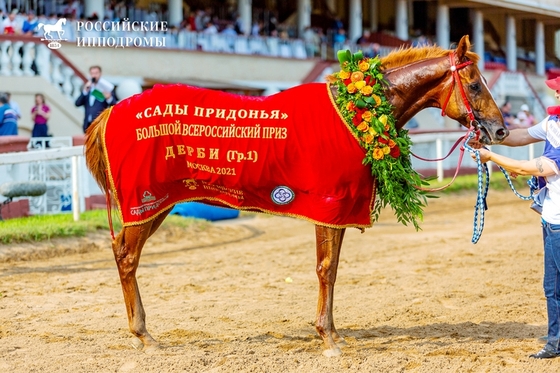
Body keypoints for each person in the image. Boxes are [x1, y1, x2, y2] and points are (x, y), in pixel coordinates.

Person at [472, 76, 560, 359]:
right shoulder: (552, 124)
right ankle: (555, 341)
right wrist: (491, 134)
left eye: (558, 91)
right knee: (552, 287)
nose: (556, 95)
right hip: (551, 217)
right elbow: (521, 136)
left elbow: (533, 167)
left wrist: (492, 157)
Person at [75, 66, 116, 133]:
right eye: (92, 73)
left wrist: (109, 98)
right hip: (87, 125)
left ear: (100, 74)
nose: (94, 75)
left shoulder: (106, 88)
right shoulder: (88, 88)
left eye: (96, 73)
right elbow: (77, 103)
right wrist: (85, 91)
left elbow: (114, 105)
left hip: (99, 124)